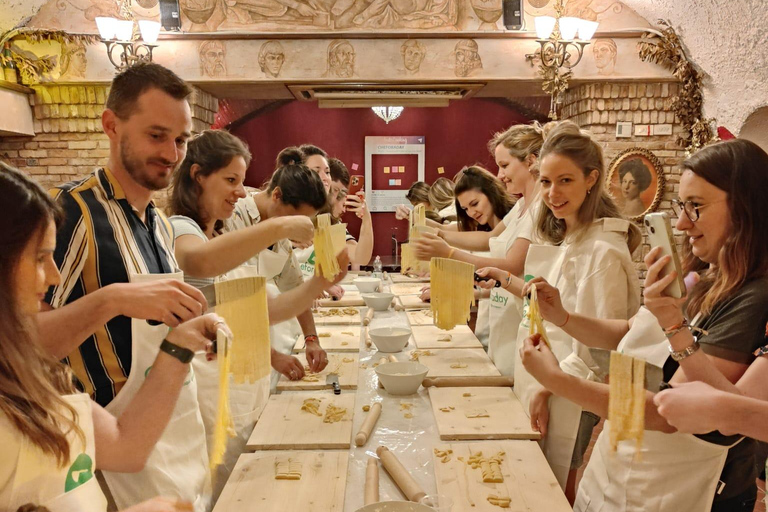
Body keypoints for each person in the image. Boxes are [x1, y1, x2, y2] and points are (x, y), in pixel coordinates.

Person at [519, 138, 768, 511]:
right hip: (622, 461)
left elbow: (671, 412)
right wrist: (563, 318)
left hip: (667, 485)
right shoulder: (703, 272)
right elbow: (631, 332)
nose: (682, 223)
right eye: (681, 206)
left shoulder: (752, 297)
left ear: (746, 208)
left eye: (696, 207)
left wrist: (559, 382)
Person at [37, 63, 215, 511]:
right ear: (111, 125)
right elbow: (24, 346)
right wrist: (111, 300)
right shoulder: (74, 215)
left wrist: (196, 331)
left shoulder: (157, 222)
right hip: (113, 456)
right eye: (157, 136)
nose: (173, 154)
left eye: (181, 139)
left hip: (173, 433)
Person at [0, 163, 225, 512]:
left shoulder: (30, 373)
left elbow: (125, 447)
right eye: (41, 258)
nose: (56, 276)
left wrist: (180, 345)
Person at [168, 130, 346, 496]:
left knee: (242, 481)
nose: (240, 191)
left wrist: (318, 286)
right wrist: (277, 229)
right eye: (231, 180)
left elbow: (262, 311)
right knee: (218, 484)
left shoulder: (214, 229)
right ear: (197, 175)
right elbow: (199, 263)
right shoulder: (184, 229)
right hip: (206, 377)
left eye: (242, 181)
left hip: (241, 368)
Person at [476, 121, 641, 499]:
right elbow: (555, 308)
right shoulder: (572, 236)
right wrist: (507, 279)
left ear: (591, 179)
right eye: (546, 182)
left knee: (552, 491)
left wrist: (549, 389)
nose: (552, 193)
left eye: (565, 180)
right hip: (548, 378)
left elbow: (600, 347)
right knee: (535, 481)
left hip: (570, 391)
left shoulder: (603, 250)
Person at [414, 123, 549, 374]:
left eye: (505, 165)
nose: (499, 174)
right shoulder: (521, 207)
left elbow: (512, 266)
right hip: (501, 317)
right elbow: (486, 240)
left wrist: (448, 253)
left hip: (521, 318)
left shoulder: (540, 208)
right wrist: (441, 235)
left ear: (531, 161)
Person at [414, 166, 512, 347]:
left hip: (509, 324)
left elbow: (507, 269)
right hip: (490, 322)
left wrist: (447, 252)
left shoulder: (514, 219)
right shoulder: (480, 226)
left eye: (475, 204)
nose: (471, 212)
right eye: (466, 208)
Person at [328, 157, 374, 269]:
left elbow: (361, 258)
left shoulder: (334, 225)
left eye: (341, 193)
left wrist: (366, 218)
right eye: (334, 191)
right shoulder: (299, 217)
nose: (336, 199)